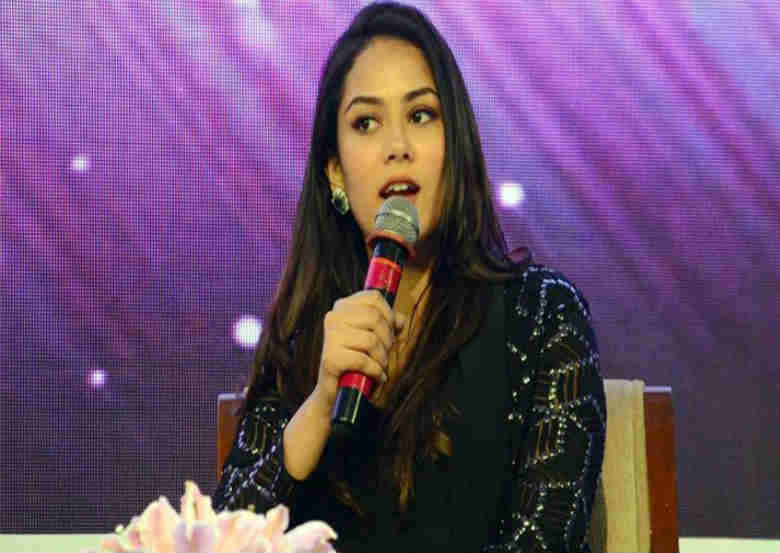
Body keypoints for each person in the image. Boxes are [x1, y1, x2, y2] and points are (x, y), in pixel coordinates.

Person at [212, 2, 606, 551]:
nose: (397, 147)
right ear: (335, 173)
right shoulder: (305, 341)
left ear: (455, 147)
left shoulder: (541, 316)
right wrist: (321, 404)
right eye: (366, 123)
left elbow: (546, 538)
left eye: (421, 115)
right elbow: (221, 538)